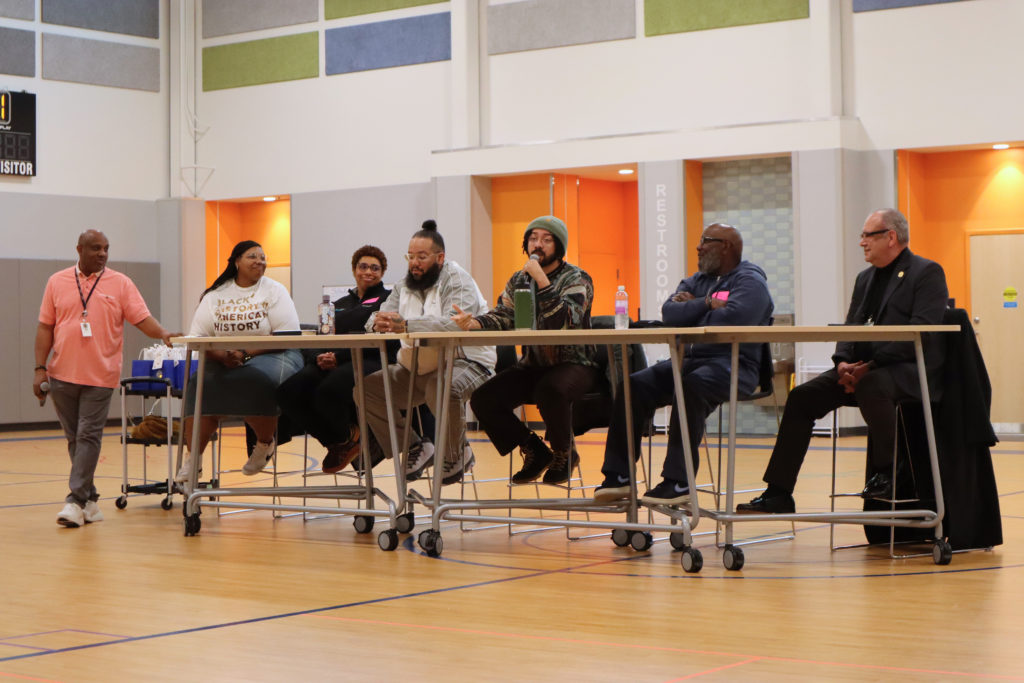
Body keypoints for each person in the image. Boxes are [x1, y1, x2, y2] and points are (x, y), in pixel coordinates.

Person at [738, 209, 948, 514]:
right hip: (864, 370)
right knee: (802, 397)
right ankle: (779, 492)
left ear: (891, 237)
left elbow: (923, 334)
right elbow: (851, 326)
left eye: (868, 235)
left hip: (910, 371)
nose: (862, 242)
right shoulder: (865, 278)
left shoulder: (926, 272)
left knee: (872, 385)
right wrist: (843, 362)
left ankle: (889, 472)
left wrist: (870, 366)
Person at [594, 223, 774, 506]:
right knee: (634, 385)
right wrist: (707, 303)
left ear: (726, 246)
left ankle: (678, 481)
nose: (698, 247)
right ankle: (619, 476)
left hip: (734, 365)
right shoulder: (695, 281)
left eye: (705, 241)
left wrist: (693, 311)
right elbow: (670, 314)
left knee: (690, 387)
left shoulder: (750, 281)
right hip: (687, 361)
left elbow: (735, 318)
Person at [34, 230, 175, 528]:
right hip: (61, 374)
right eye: (96, 248)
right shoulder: (57, 281)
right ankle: (92, 500)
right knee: (75, 439)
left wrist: (162, 332)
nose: (102, 253)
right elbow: (45, 327)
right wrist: (39, 368)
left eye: (106, 248)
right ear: (80, 249)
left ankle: (75, 501)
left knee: (88, 436)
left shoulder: (120, 283)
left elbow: (140, 318)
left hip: (101, 375)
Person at [458, 216, 597, 485]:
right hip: (534, 364)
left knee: (550, 389)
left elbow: (564, 321)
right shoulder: (519, 279)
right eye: (533, 238)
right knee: (483, 399)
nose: (538, 244)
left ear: (559, 246)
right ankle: (534, 449)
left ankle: (564, 452)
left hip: (576, 364)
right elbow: (504, 314)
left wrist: (542, 281)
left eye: (546, 239)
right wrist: (476, 322)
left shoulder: (577, 278)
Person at [359, 220, 496, 486]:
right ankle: (415, 447)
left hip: (466, 362)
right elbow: (378, 315)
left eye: (422, 257)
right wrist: (377, 322)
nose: (414, 263)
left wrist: (406, 325)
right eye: (411, 257)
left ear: (440, 258)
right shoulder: (403, 285)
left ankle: (455, 454)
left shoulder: (457, 279)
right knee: (366, 390)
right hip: (416, 368)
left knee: (441, 386)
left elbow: (453, 323)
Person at [176, 240, 302, 483]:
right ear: (236, 262)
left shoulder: (275, 290)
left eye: (263, 257)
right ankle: (193, 459)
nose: (260, 261)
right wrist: (224, 355)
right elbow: (198, 338)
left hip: (274, 354)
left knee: (254, 379)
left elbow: (286, 336)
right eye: (252, 256)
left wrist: (244, 353)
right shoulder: (215, 295)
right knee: (198, 384)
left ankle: (264, 445)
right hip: (224, 356)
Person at [275, 245, 397, 473]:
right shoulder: (336, 305)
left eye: (375, 268)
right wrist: (318, 356)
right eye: (363, 266)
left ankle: (344, 441)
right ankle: (341, 442)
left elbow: (381, 340)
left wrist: (338, 357)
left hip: (371, 357)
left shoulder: (388, 300)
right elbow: (321, 336)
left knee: (328, 391)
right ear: (354, 270)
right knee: (287, 392)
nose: (368, 272)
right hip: (330, 359)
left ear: (382, 273)